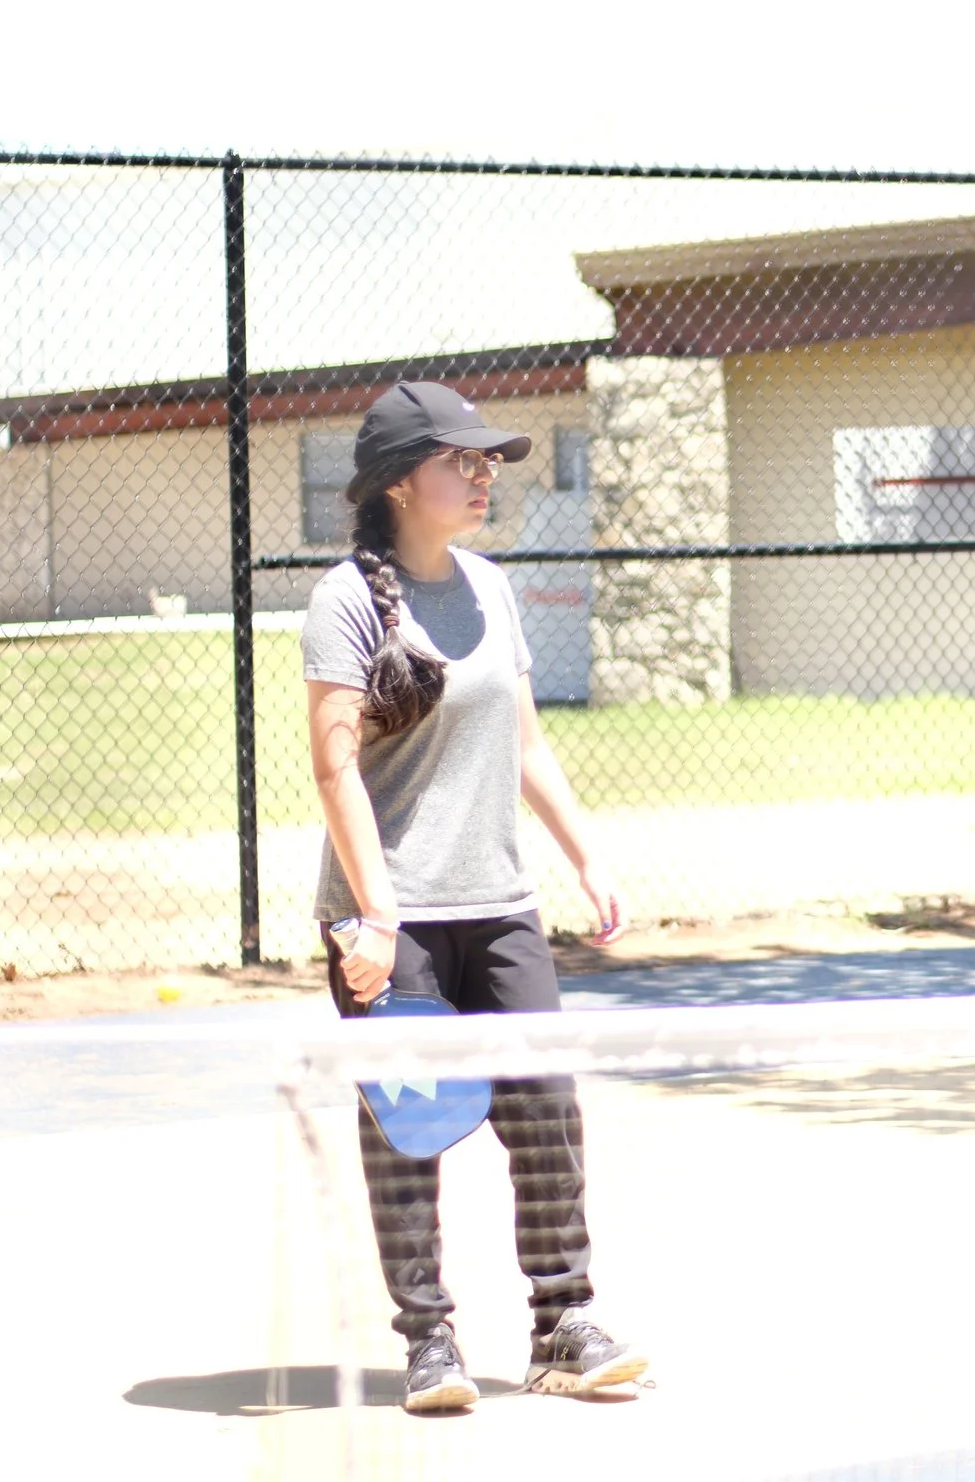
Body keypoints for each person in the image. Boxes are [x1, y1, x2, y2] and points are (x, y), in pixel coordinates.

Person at [305, 381, 647, 1413]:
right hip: (390, 914)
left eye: (489, 458)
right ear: (400, 483)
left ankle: (563, 1326)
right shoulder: (345, 602)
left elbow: (526, 741)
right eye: (461, 459)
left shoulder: (492, 587)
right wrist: (376, 915)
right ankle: (429, 1340)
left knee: (545, 1110)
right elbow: (334, 769)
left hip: (498, 902)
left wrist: (588, 855)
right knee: (412, 1127)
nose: (483, 473)